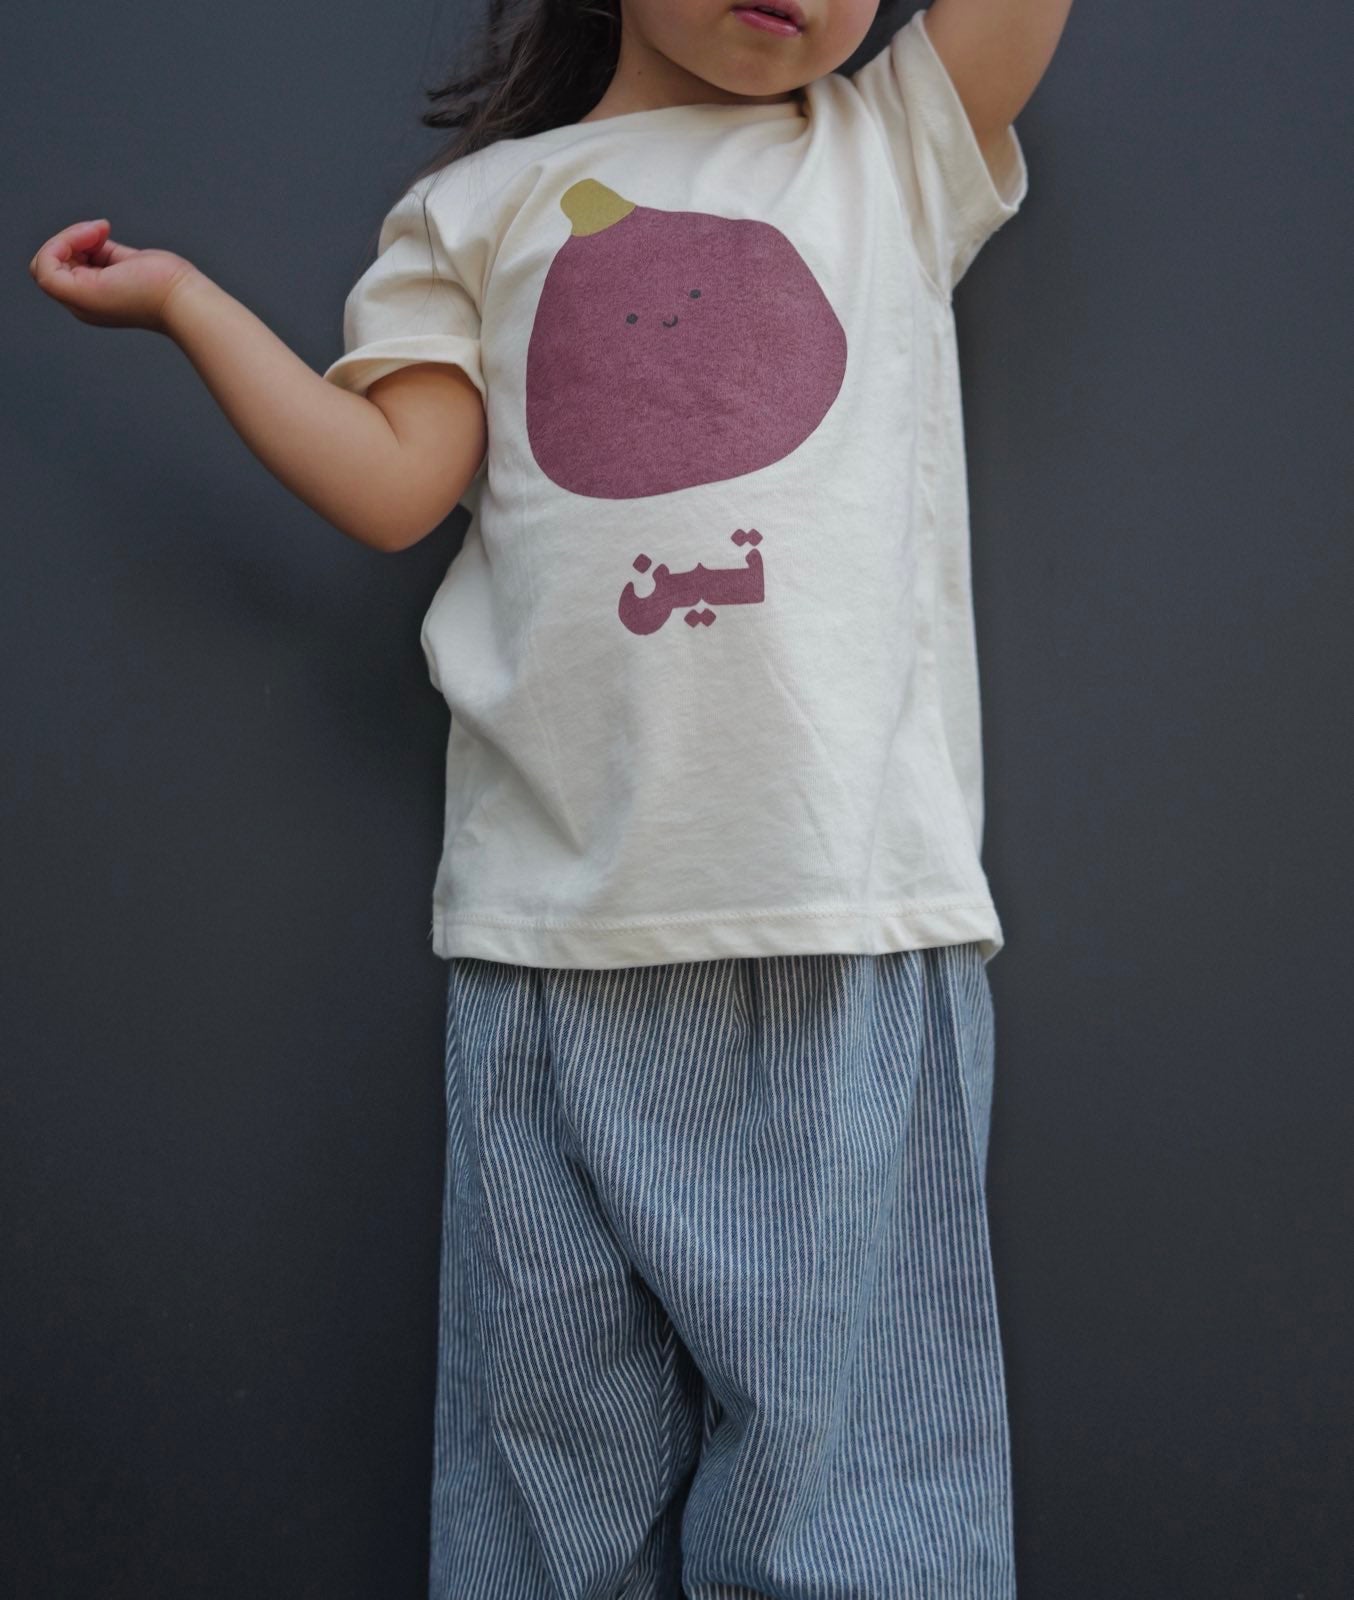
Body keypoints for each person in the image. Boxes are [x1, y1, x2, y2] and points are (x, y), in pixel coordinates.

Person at [29, 0, 1073, 1591]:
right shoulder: (475, 212)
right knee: (544, 1490)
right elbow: (394, 488)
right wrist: (187, 304)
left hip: (841, 920)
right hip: (547, 942)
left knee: (852, 1492)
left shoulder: (887, 153)